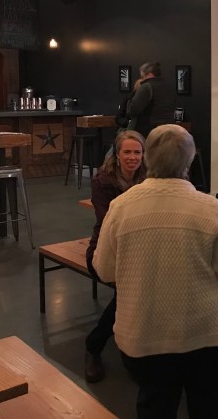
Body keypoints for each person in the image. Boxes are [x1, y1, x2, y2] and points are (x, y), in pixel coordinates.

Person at [93, 125, 218, 418]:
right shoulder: (210, 208)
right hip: (206, 335)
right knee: (210, 407)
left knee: (155, 406)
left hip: (143, 334)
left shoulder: (121, 207)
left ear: (147, 158)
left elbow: (104, 269)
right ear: (188, 162)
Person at [84, 130, 147, 383]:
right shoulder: (103, 181)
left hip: (142, 248)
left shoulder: (149, 177)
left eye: (137, 152)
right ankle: (94, 347)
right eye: (127, 152)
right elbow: (109, 223)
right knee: (131, 290)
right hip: (106, 250)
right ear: (117, 154)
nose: (132, 157)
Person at [126, 61, 175, 138]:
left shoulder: (146, 87)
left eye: (142, 76)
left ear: (149, 74)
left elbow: (132, 111)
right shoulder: (168, 87)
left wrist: (133, 94)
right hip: (168, 129)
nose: (141, 79)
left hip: (149, 131)